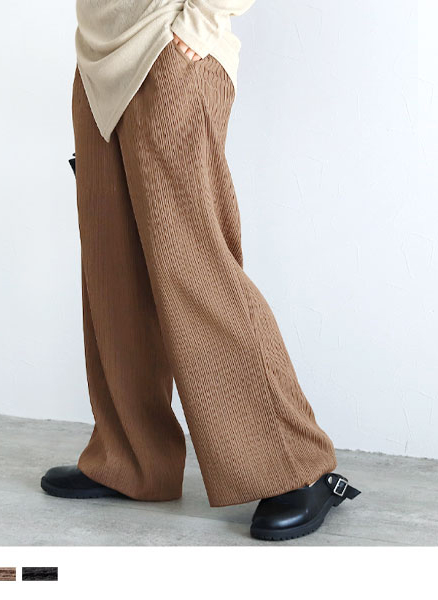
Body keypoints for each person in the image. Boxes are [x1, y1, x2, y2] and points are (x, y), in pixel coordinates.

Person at [41, 0, 360, 541]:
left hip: (168, 48)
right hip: (96, 57)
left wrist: (199, 23)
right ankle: (133, 460)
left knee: (195, 268)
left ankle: (298, 467)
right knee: (113, 269)